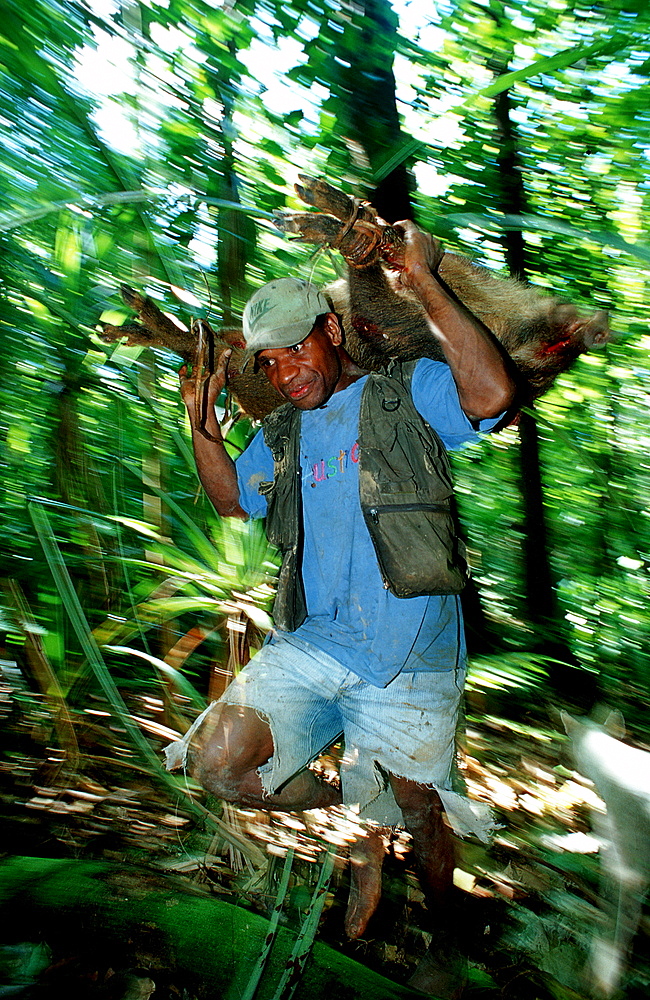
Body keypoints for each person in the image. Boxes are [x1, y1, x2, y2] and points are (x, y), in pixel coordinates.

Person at [166, 221, 516, 995]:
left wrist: (421, 279)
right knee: (217, 763)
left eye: (297, 348)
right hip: (315, 641)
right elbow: (231, 501)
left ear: (331, 330)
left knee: (426, 812)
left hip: (412, 652)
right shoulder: (283, 431)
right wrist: (200, 415)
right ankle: (362, 817)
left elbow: (492, 395)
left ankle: (449, 933)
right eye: (269, 361)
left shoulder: (405, 393)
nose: (286, 371)